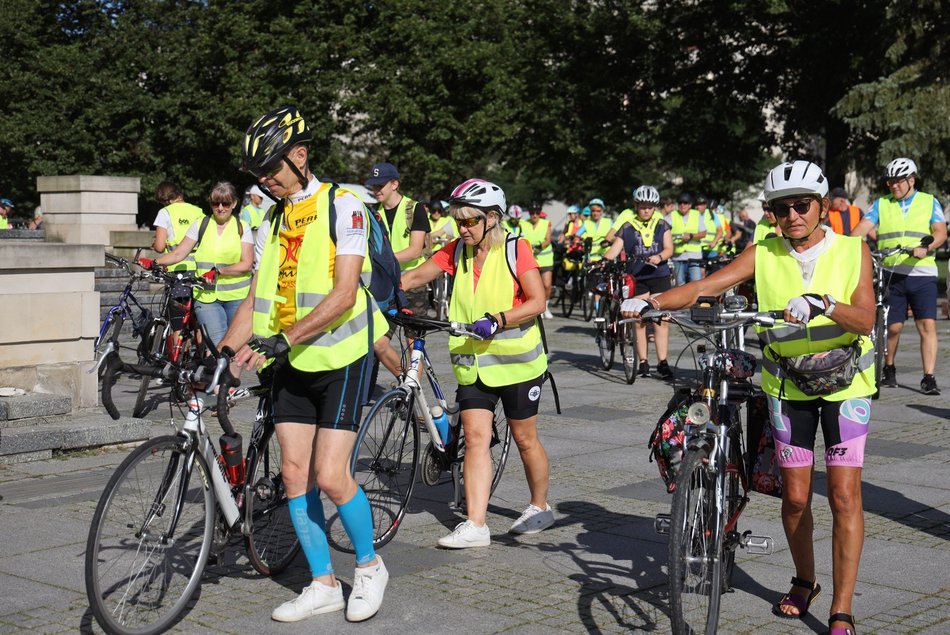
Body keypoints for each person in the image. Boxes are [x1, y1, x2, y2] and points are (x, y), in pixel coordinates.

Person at [623, 160, 874, 635]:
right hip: (787, 386)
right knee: (796, 498)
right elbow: (705, 286)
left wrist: (825, 303)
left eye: (803, 205)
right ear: (772, 214)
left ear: (821, 207)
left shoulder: (851, 250)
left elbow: (864, 319)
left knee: (843, 496)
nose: (793, 215)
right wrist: (652, 302)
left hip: (846, 387)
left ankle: (842, 609)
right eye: (782, 209)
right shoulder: (763, 252)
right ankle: (805, 580)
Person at [221, 105, 389, 623]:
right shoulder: (270, 217)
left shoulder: (346, 205)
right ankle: (321, 583)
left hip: (341, 357)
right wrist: (225, 353)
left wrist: (284, 339)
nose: (266, 180)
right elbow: (253, 298)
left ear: (300, 156)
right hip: (291, 359)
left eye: (272, 168)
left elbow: (342, 294)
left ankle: (368, 566)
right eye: (259, 174)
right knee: (295, 475)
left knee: (331, 475)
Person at [399, 178, 554, 548]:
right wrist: (376, 291)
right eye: (458, 221)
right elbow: (417, 276)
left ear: (492, 218)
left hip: (517, 365)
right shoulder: (455, 251)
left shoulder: (517, 249)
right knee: (476, 440)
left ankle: (539, 505)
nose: (462, 228)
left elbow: (538, 301)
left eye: (470, 221)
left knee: (524, 438)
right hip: (473, 365)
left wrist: (499, 318)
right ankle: (476, 523)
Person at [852, 157, 947, 395]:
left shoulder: (928, 201)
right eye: (890, 182)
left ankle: (929, 377)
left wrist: (927, 246)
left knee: (927, 324)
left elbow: (940, 232)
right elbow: (861, 229)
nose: (893, 186)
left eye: (898, 182)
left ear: (911, 181)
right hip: (892, 273)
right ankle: (889, 368)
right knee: (892, 327)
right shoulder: (881, 204)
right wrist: (849, 245)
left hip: (922, 272)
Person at [147, 182, 254, 345]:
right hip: (206, 296)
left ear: (234, 204)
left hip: (237, 296)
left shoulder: (242, 227)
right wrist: (154, 262)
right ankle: (215, 368)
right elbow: (178, 253)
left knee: (234, 347)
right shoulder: (201, 224)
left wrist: (219, 271)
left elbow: (246, 264)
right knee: (217, 344)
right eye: (215, 203)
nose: (220, 208)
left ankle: (221, 371)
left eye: (225, 203)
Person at [366, 161, 430, 377]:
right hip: (386, 286)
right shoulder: (373, 213)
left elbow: (415, 250)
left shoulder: (415, 208)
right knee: (378, 342)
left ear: (395, 184)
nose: (376, 190)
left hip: (413, 283)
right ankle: (405, 383)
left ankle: (414, 393)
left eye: (380, 185)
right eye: (373, 186)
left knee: (414, 345)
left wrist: (385, 259)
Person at [602, 185, 674, 377]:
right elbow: (615, 249)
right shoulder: (627, 226)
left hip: (659, 275)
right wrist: (603, 261)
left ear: (655, 207)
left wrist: (659, 257)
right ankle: (643, 361)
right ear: (636, 206)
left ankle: (663, 361)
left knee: (661, 319)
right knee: (639, 319)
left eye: (650, 207)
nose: (646, 210)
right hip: (638, 277)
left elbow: (669, 248)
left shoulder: (662, 225)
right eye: (642, 206)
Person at [522, 204, 554, 319]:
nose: (534, 215)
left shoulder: (546, 223)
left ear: (540, 213)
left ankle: (545, 306)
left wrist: (539, 247)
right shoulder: (523, 223)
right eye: (532, 213)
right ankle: (537, 308)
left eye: (537, 212)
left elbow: (548, 240)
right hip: (530, 259)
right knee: (533, 285)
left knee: (547, 284)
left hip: (545, 258)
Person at [669, 193, 707, 284]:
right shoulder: (672, 215)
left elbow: (703, 233)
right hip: (678, 257)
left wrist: (691, 236)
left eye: (685, 203)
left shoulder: (696, 215)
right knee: (680, 285)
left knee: (696, 284)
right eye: (680, 203)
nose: (682, 205)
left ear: (690, 205)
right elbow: (664, 232)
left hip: (694, 256)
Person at [583, 198, 612, 262]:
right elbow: (576, 236)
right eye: (593, 211)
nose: (595, 213)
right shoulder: (586, 223)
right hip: (590, 260)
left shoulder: (609, 222)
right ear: (590, 211)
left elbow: (617, 235)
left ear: (602, 211)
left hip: (606, 259)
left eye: (598, 211)